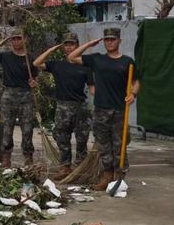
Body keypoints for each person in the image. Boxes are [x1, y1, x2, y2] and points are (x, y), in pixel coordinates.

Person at [68, 27, 140, 191]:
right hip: (101, 109)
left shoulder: (127, 61)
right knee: (103, 144)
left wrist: (133, 94)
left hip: (119, 109)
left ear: (119, 41)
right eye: (106, 39)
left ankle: (119, 176)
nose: (109, 42)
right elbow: (72, 57)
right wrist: (89, 44)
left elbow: (136, 81)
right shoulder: (96, 59)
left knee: (119, 144)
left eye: (112, 39)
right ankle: (107, 175)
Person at [33, 33, 94, 179]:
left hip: (80, 107)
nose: (68, 47)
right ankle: (65, 167)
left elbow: (92, 88)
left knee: (81, 138)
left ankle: (80, 167)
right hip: (62, 106)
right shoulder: (57, 65)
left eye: (72, 44)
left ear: (77, 46)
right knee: (61, 136)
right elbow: (36, 63)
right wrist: (52, 49)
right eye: (66, 44)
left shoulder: (85, 66)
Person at [0, 29, 39, 167]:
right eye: (13, 39)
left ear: (24, 40)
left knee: (27, 129)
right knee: (7, 128)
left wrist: (34, 83)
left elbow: (35, 79)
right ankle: (6, 158)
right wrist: (0, 43)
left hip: (26, 94)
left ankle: (28, 158)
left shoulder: (31, 58)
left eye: (19, 38)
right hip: (8, 94)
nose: (16, 41)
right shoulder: (5, 56)